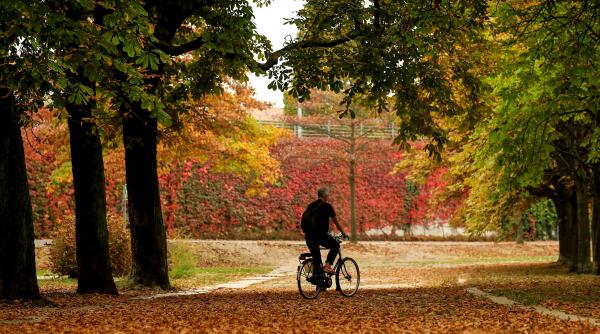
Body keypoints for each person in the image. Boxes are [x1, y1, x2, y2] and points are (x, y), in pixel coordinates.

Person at [303, 187, 347, 275]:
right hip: (320, 236)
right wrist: (343, 233)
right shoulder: (327, 206)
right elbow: (336, 222)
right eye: (328, 195)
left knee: (317, 259)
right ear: (325, 195)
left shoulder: (310, 205)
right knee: (335, 245)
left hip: (308, 236)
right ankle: (327, 266)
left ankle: (319, 283)